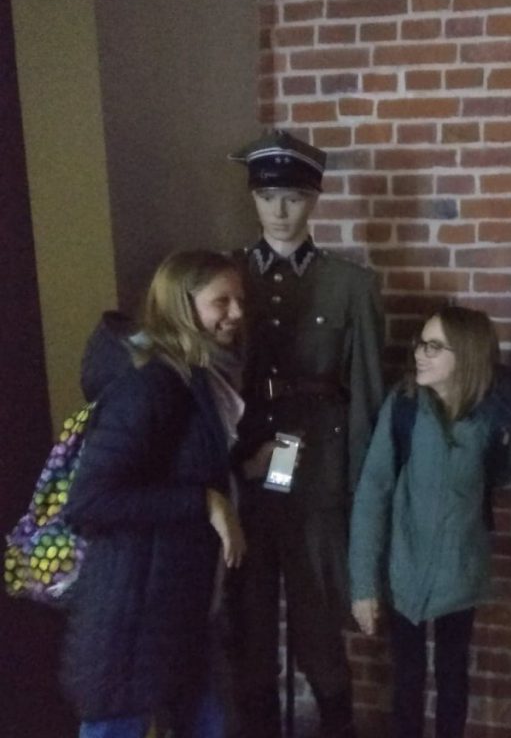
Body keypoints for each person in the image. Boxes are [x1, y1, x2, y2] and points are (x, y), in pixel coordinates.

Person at [227, 129, 385, 738]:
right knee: (251, 622)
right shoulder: (228, 275)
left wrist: (359, 485)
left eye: (293, 197)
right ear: (253, 198)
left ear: (314, 199)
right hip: (247, 466)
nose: (280, 210)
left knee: (319, 620)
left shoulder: (350, 285)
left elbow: (366, 392)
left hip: (317, 470)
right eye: (267, 196)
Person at [61, 250, 248, 738]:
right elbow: (89, 501)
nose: (237, 313)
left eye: (239, 300)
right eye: (221, 301)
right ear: (182, 304)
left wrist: (245, 472)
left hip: (178, 608)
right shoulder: (152, 383)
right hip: (133, 617)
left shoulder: (194, 375)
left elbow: (180, 466)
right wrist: (205, 502)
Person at [348, 306, 511, 738]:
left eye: (434, 347)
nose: (420, 354)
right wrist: (363, 586)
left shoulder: (488, 414)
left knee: (453, 675)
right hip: (405, 567)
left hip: (461, 567)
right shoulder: (405, 406)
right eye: (420, 343)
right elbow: (373, 492)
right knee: (407, 680)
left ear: (466, 355)